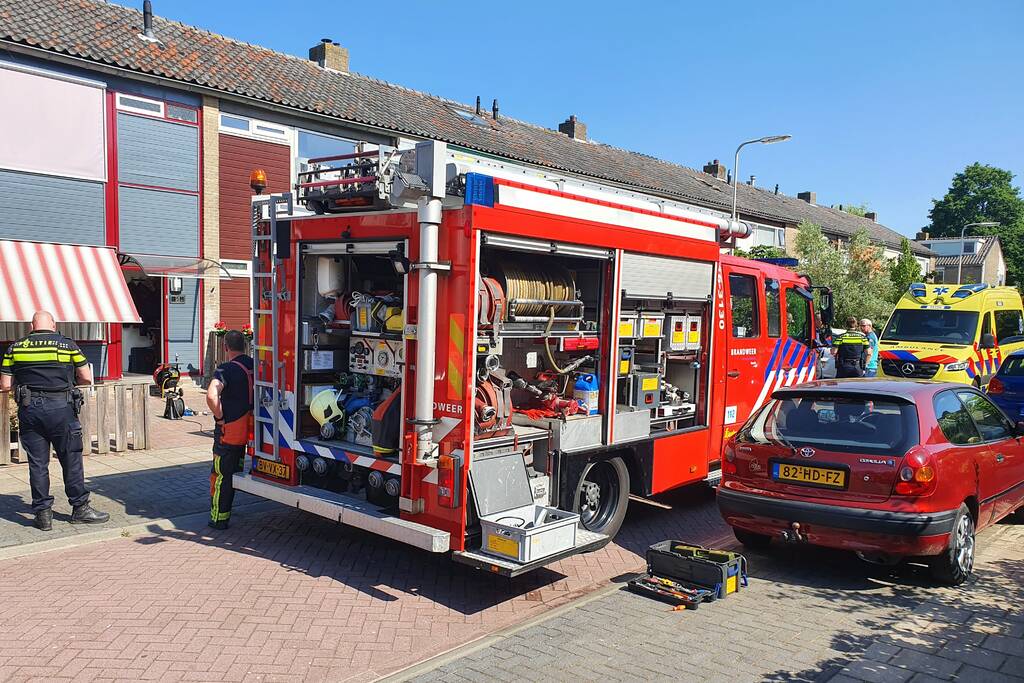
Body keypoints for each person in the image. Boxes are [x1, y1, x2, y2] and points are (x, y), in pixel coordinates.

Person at [0, 311, 109, 530]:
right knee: (71, 459)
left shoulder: (15, 347)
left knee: (38, 463)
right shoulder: (67, 345)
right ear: (53, 324)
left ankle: (42, 515)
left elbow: (4, 384)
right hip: (62, 409)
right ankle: (80, 508)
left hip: (30, 410)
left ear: (32, 326)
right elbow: (86, 377)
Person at [206, 329, 254, 530]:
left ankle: (218, 518)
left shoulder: (225, 370)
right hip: (250, 431)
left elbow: (211, 395)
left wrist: (220, 418)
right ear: (244, 346)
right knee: (234, 472)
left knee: (220, 476)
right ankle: (227, 510)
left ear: (226, 347)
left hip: (229, 433)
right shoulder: (254, 365)